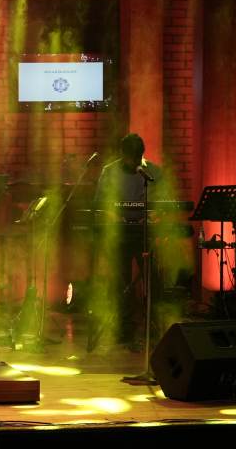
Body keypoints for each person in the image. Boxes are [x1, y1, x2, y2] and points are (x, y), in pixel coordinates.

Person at [93, 132, 162, 348]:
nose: (133, 163)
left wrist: (154, 215)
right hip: (119, 234)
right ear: (122, 155)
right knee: (121, 282)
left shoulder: (151, 173)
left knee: (152, 279)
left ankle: (154, 327)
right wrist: (114, 216)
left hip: (144, 233)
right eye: (130, 158)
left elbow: (162, 203)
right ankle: (124, 328)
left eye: (137, 158)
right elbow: (101, 204)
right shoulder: (109, 172)